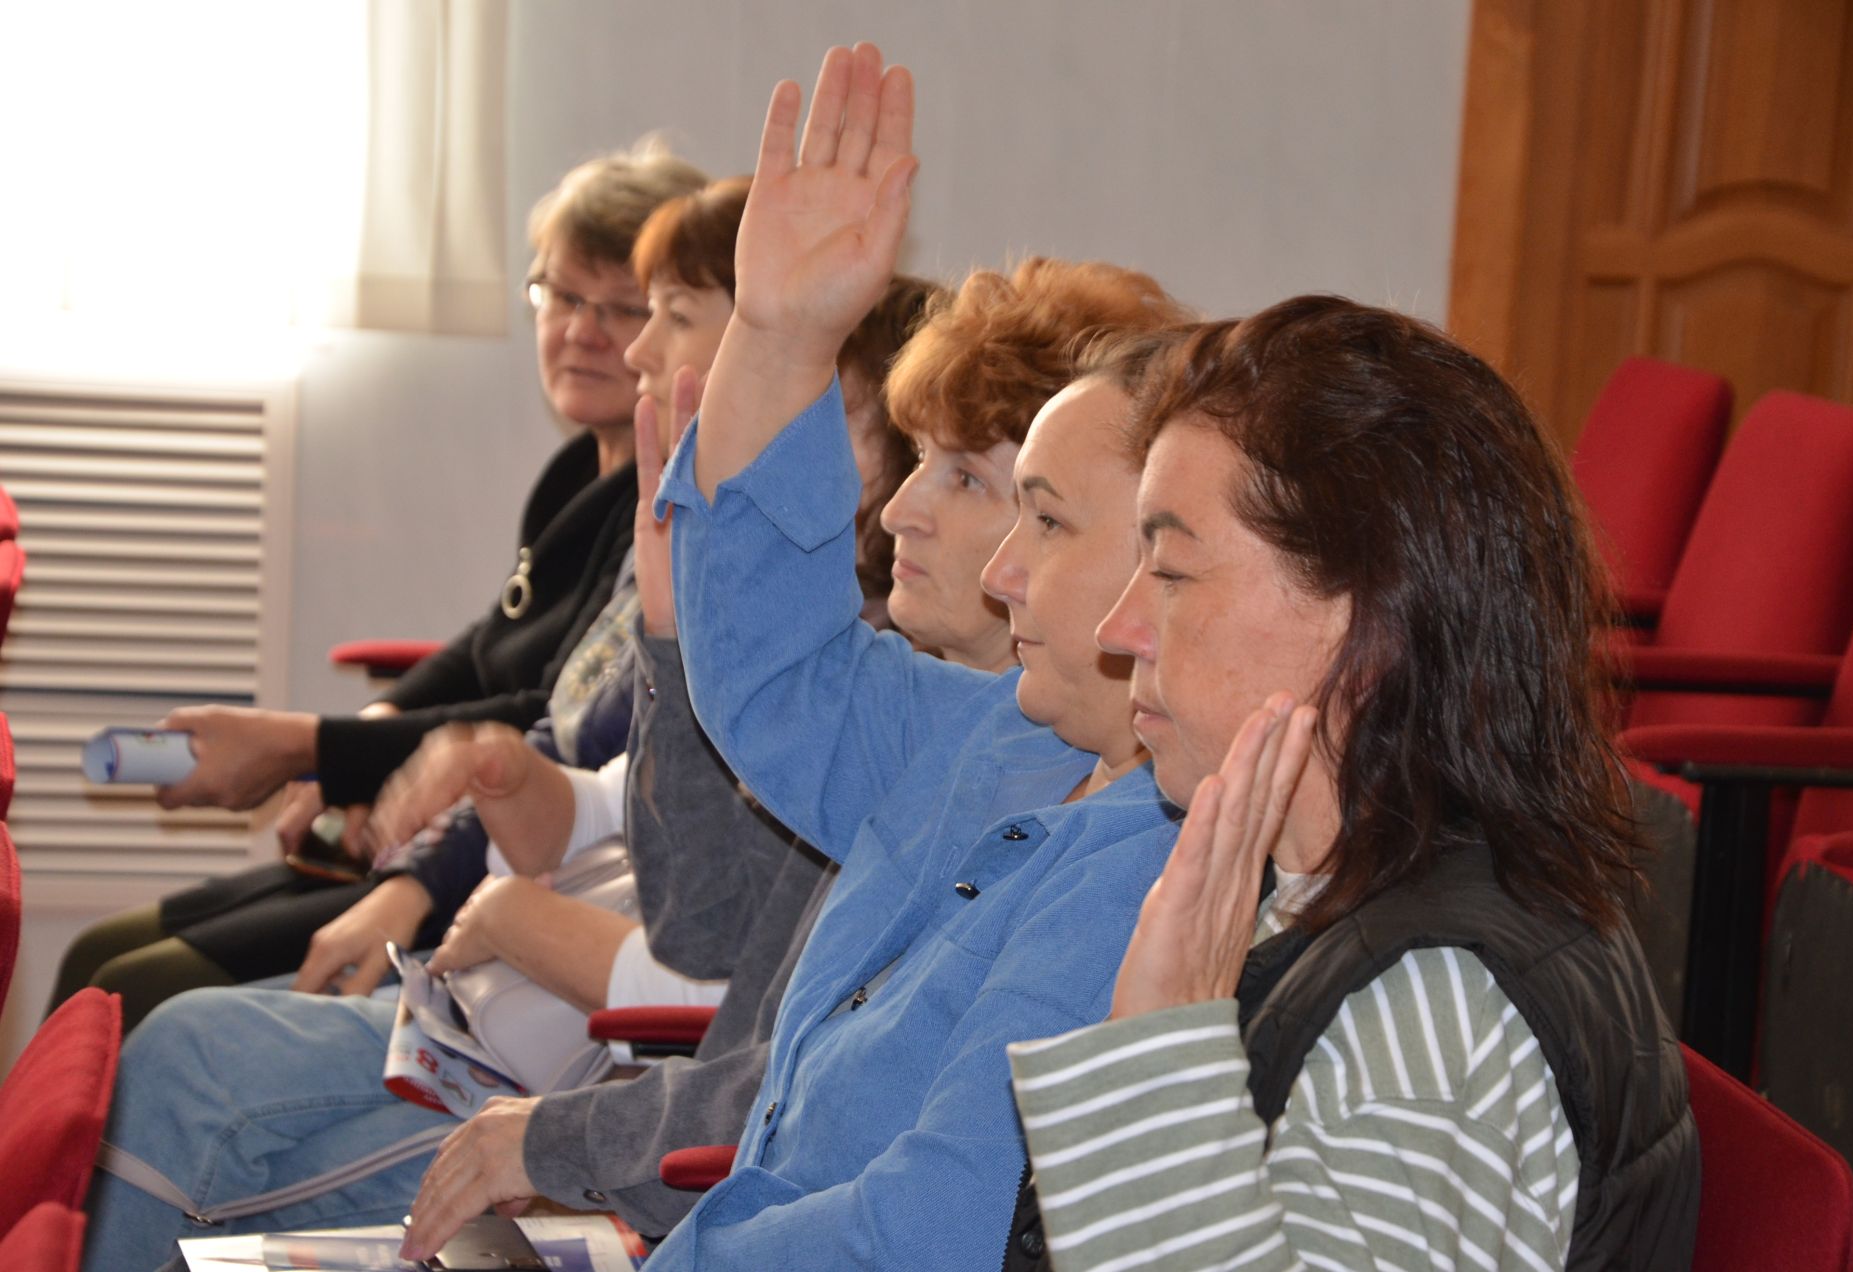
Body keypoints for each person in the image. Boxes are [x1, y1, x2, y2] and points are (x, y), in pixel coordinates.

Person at [407, 42, 1188, 1270]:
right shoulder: (1008, 734)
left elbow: (918, 1229)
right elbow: (778, 677)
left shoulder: (1146, 867)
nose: (993, 568)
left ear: (1168, 561)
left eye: (1039, 516)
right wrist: (779, 335)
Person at [76, 203, 934, 1272]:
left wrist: (504, 907)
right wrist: (511, 774)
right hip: (523, 1024)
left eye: (659, 313)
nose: (624, 347)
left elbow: (716, 997)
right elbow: (600, 789)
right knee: (168, 1034)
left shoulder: (882, 700)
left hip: (599, 1091)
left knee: (181, 1067)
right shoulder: (751, 611)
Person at [1003, 297, 1700, 1269]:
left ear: (1365, 615)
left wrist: (1156, 1064)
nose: (1121, 628)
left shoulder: (1429, 1024)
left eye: (1167, 567)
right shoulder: (1315, 884)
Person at [50, 141, 707, 1027]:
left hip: (501, 860)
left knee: (132, 988)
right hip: (427, 827)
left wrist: (303, 747)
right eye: (560, 295)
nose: (582, 331)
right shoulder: (571, 478)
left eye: (622, 306)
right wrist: (372, 732)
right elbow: (485, 648)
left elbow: (546, 716)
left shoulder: (659, 515)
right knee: (95, 954)